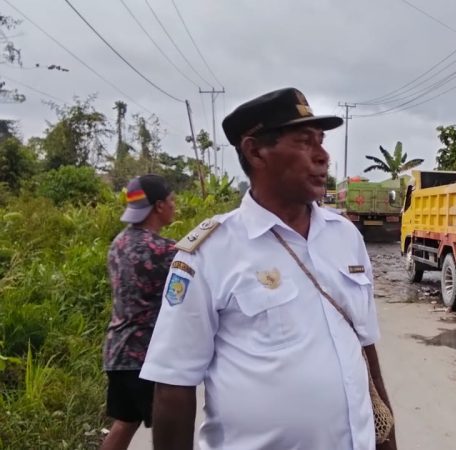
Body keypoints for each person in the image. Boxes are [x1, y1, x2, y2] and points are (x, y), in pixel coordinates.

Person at [140, 88, 396, 450]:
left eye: (321, 142)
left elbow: (364, 348)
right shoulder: (210, 252)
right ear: (255, 150)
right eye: (304, 142)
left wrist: (387, 439)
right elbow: (172, 385)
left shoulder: (345, 237)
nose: (323, 156)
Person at [100, 174, 177, 450]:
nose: (174, 205)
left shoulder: (118, 243)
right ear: (158, 206)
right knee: (171, 427)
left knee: (125, 422)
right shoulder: (160, 249)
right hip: (144, 356)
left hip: (117, 351)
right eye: (171, 200)